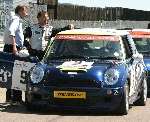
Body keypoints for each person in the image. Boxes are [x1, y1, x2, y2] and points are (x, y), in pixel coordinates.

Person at [3, 5, 28, 103]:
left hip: (9, 47)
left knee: (10, 72)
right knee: (17, 73)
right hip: (13, 48)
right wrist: (14, 46)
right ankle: (16, 99)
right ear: (21, 10)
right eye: (26, 11)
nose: (27, 13)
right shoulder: (16, 19)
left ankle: (9, 98)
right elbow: (11, 31)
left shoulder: (14, 18)